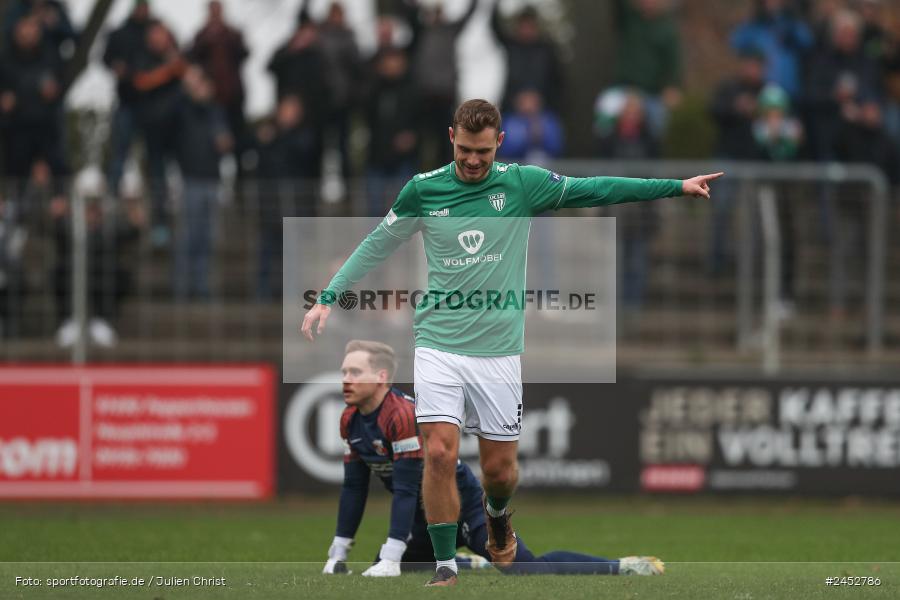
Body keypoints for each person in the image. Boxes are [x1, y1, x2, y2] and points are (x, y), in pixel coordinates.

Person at [301, 99, 722, 587]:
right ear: (450, 138)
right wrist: (329, 296)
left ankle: (497, 516)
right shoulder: (424, 189)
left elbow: (596, 188)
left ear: (498, 143)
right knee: (437, 452)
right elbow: (377, 241)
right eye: (464, 150)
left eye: (482, 151)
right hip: (438, 341)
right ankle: (443, 566)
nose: (473, 160)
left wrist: (675, 187)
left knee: (499, 472)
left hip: (498, 351)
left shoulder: (522, 184)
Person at [322, 340, 665, 578]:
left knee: (525, 569)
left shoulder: (401, 415)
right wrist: (337, 554)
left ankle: (621, 566)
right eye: (343, 371)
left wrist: (394, 550)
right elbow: (354, 487)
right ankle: (467, 563)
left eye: (354, 372)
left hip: (460, 505)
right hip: (422, 517)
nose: (345, 379)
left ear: (381, 376)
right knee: (393, 566)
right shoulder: (350, 420)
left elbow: (409, 487)